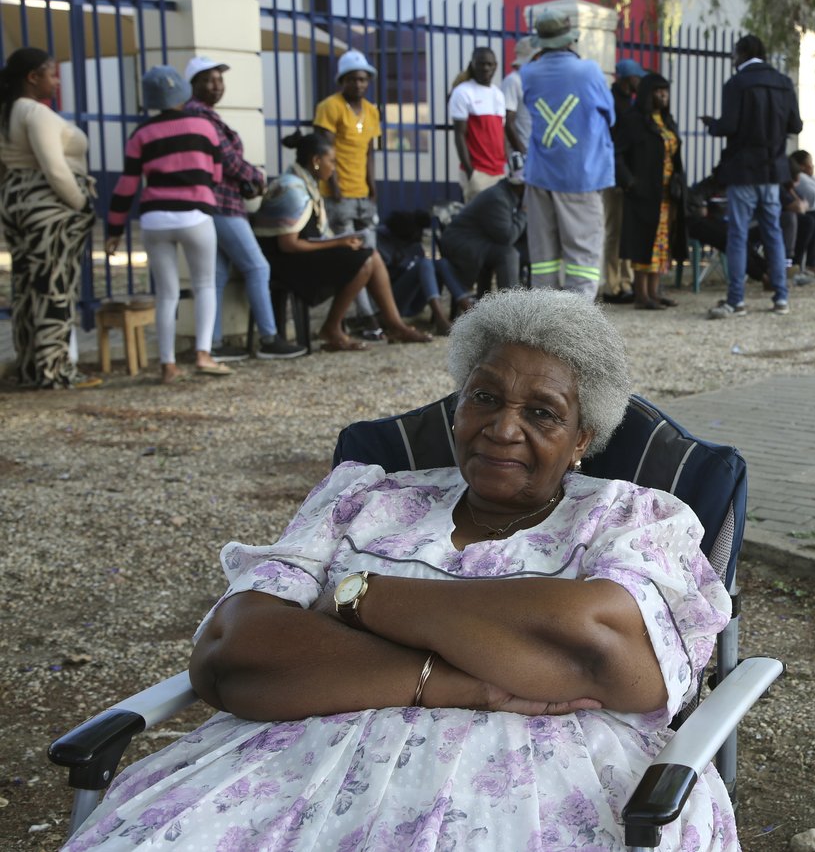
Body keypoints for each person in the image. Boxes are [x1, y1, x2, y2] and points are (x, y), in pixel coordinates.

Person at [63, 288, 736, 851]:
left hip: (540, 790)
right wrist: (466, 676)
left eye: (541, 413)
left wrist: (361, 598)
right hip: (286, 774)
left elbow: (607, 654)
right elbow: (229, 652)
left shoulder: (633, 516)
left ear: (583, 438)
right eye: (484, 399)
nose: (502, 428)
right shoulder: (366, 496)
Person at [105, 66, 230, 384]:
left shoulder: (141, 134)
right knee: (204, 285)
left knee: (166, 293)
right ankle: (204, 354)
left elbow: (127, 185)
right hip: (196, 214)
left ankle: (167, 365)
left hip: (155, 218)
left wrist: (114, 229)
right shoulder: (204, 127)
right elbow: (217, 174)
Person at [252, 130, 431, 351]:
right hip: (283, 262)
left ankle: (394, 324)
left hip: (299, 256)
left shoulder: (305, 182)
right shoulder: (292, 189)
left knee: (370, 254)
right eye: (332, 161)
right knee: (363, 260)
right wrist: (338, 243)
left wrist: (343, 241)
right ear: (316, 161)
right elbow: (287, 244)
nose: (334, 167)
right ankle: (332, 328)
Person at [183, 56, 306, 362]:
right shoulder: (201, 118)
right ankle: (268, 338)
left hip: (220, 203)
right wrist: (257, 176)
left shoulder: (204, 115)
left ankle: (213, 343)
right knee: (257, 267)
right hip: (222, 205)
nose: (216, 85)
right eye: (209, 79)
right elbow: (228, 160)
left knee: (218, 275)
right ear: (194, 84)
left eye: (220, 79)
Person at [0, 47, 99, 389]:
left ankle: (30, 366)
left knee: (28, 289)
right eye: (51, 74)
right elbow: (54, 168)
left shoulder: (7, 112)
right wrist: (81, 204)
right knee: (54, 287)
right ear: (33, 77)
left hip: (17, 203)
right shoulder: (35, 113)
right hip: (49, 211)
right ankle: (53, 371)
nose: (56, 81)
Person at [703, 34, 802, 318]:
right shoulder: (783, 82)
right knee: (773, 231)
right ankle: (781, 297)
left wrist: (713, 125)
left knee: (737, 234)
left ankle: (737, 300)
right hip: (772, 170)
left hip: (743, 169)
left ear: (742, 53)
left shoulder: (736, 84)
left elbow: (730, 125)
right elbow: (795, 124)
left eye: (734, 54)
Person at [520, 8, 616, 301]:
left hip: (540, 175)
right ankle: (576, 329)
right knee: (583, 258)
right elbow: (610, 114)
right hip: (580, 176)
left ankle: (543, 328)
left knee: (544, 258)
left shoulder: (528, 73)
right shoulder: (587, 70)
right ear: (569, 39)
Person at [314, 50, 383, 334]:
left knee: (370, 251)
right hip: (338, 195)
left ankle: (370, 314)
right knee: (353, 257)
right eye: (353, 79)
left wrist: (372, 186)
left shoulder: (371, 110)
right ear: (342, 80)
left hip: (362, 194)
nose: (359, 85)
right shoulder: (330, 107)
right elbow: (324, 150)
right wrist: (335, 187)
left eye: (364, 80)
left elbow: (369, 152)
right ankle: (366, 315)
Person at [614, 73, 686, 311]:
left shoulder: (667, 121)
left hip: (667, 192)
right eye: (658, 91)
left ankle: (655, 292)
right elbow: (618, 153)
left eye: (665, 90)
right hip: (643, 192)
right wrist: (630, 182)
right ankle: (641, 294)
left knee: (661, 241)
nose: (663, 95)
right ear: (647, 93)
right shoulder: (633, 120)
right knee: (643, 240)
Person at [438, 157, 528, 298]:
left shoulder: (509, 195)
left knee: (521, 250)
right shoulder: (498, 198)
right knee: (508, 253)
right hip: (462, 244)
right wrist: (524, 212)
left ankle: (490, 299)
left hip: (478, 241)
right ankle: (511, 305)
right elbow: (507, 236)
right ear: (521, 184)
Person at [375, 210, 468, 335]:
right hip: (392, 303)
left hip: (414, 302)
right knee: (423, 264)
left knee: (441, 263)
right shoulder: (379, 240)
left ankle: (468, 308)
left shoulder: (414, 239)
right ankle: (440, 319)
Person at [601, 57, 648, 305]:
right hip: (613, 175)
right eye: (635, 77)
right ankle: (612, 284)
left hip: (628, 175)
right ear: (625, 78)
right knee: (614, 231)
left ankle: (626, 281)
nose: (639, 81)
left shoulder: (631, 103)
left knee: (627, 232)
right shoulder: (611, 102)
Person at [449, 47, 508, 202]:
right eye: (481, 64)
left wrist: (506, 165)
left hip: (499, 172)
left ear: (496, 65)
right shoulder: (463, 92)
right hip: (478, 173)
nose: (486, 68)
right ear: (472, 65)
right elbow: (459, 135)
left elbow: (500, 134)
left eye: (490, 64)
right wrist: (471, 172)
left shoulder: (498, 94)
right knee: (479, 224)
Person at [500, 35, 539, 156]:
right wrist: (523, 152)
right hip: (523, 153)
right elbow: (508, 121)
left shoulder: (535, 81)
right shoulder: (513, 81)